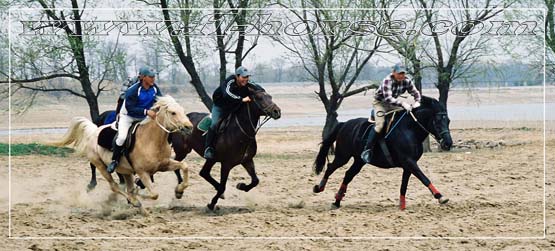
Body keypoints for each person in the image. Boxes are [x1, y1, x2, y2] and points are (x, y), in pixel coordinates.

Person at [361, 63, 421, 164]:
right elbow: (388, 98)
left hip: (393, 103)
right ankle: (367, 150)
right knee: (380, 126)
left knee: (405, 117)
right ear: (394, 72)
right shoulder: (387, 80)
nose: (401, 76)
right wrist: (403, 104)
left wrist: (417, 102)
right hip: (380, 103)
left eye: (403, 73)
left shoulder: (407, 81)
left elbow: (416, 92)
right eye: (399, 73)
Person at [107, 66, 162, 173]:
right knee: (122, 137)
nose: (153, 79)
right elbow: (130, 108)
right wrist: (147, 112)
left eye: (154, 76)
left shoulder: (155, 88)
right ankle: (115, 160)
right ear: (143, 77)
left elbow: (159, 100)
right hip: (128, 116)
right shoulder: (133, 90)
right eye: (151, 77)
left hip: (144, 117)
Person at [203, 66, 256, 159]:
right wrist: (241, 99)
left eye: (247, 77)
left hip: (234, 105)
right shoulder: (229, 81)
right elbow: (227, 94)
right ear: (237, 76)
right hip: (220, 106)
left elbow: (257, 87)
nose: (246, 79)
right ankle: (208, 149)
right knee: (215, 124)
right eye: (244, 77)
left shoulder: (247, 82)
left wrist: (262, 93)